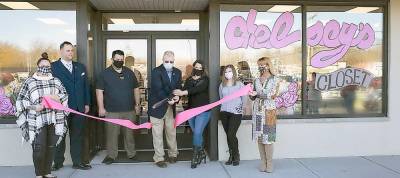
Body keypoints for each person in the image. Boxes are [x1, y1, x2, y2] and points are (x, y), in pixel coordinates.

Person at [15, 54, 68, 178]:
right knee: (39, 148)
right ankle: (39, 174)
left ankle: (47, 172)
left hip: (54, 119)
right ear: (38, 67)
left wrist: (56, 97)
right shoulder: (30, 82)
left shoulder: (56, 81)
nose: (45, 68)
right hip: (36, 120)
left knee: (51, 147)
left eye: (48, 66)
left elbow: (64, 95)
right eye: (42, 66)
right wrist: (34, 106)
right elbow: (20, 101)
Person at [51, 41, 92, 170]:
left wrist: (87, 103)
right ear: (61, 52)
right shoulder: (53, 67)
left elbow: (86, 87)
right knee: (60, 136)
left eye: (72, 50)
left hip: (79, 108)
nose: (71, 53)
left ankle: (77, 162)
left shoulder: (80, 67)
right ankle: (57, 162)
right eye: (68, 50)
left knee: (77, 137)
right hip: (61, 108)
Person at [96, 50, 140, 164]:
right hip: (111, 111)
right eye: (117, 59)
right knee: (111, 135)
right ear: (112, 60)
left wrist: (137, 105)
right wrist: (101, 108)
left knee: (129, 134)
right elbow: (99, 91)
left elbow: (136, 89)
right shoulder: (104, 74)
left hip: (129, 110)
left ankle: (131, 153)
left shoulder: (129, 73)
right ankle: (111, 155)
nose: (120, 61)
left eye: (121, 60)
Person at [173, 60, 210, 169]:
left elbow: (197, 89)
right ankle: (202, 152)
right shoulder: (189, 80)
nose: (198, 69)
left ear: (203, 69)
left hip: (203, 111)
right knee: (197, 134)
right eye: (196, 67)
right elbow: (183, 90)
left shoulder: (205, 80)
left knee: (197, 132)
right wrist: (177, 97)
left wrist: (182, 93)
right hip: (190, 111)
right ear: (193, 67)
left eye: (200, 68)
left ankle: (195, 156)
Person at [148, 51, 181, 168]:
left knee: (171, 132)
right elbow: (158, 89)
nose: (169, 63)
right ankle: (159, 158)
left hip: (170, 108)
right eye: (166, 61)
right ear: (162, 60)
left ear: (174, 61)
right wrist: (169, 99)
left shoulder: (178, 72)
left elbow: (178, 88)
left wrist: (177, 98)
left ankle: (173, 154)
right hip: (157, 106)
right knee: (157, 134)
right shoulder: (156, 71)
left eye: (171, 61)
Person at [249, 57, 279, 173]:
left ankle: (270, 163)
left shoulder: (275, 79)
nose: (261, 67)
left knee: (268, 138)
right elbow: (253, 97)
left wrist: (258, 94)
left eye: (263, 65)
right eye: (259, 65)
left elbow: (273, 95)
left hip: (269, 112)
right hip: (257, 112)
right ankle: (263, 162)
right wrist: (251, 94)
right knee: (260, 138)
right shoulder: (256, 80)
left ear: (268, 65)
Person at [218, 64, 244, 166]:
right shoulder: (222, 85)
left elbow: (244, 98)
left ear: (233, 72)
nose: (228, 73)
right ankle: (231, 156)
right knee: (228, 136)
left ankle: (236, 155)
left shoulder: (239, 84)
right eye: (226, 72)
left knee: (231, 134)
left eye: (229, 71)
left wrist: (242, 109)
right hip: (224, 112)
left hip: (236, 113)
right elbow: (221, 98)